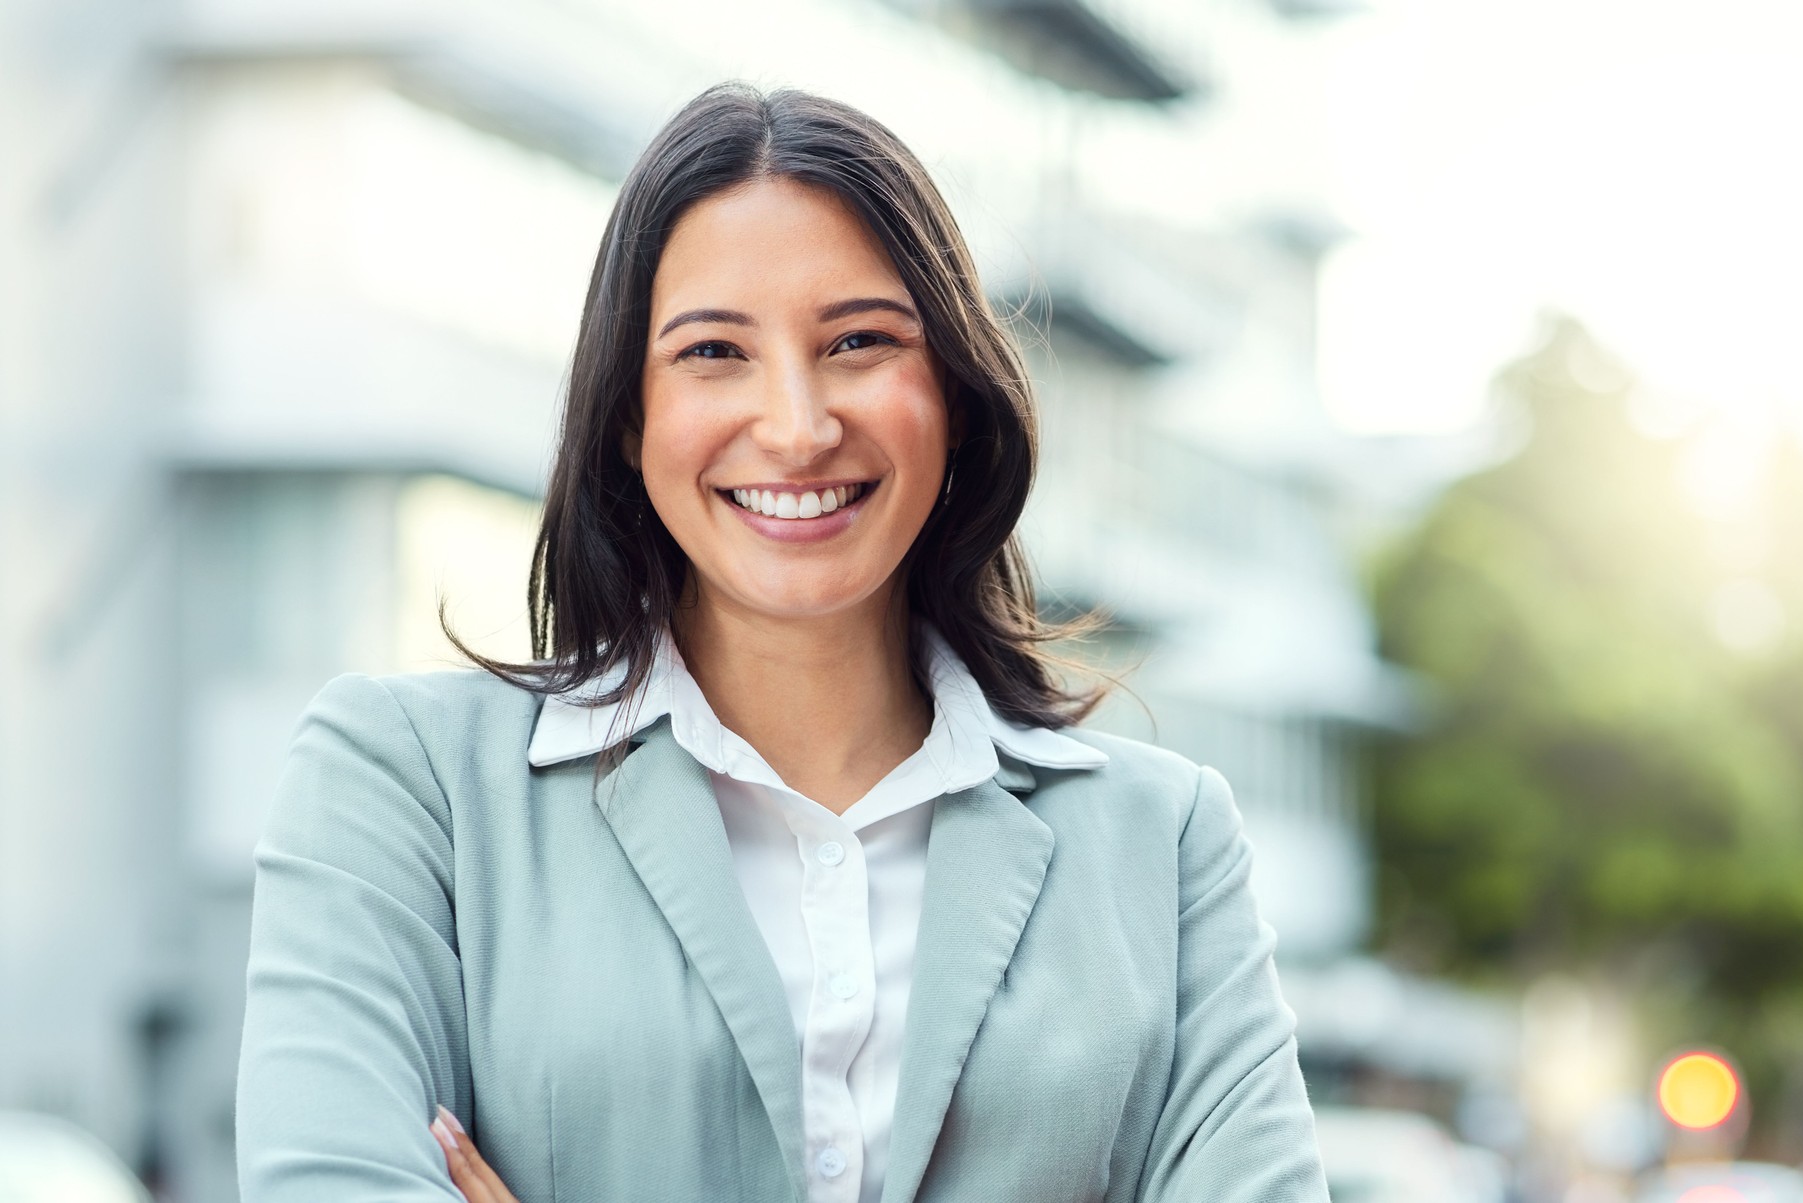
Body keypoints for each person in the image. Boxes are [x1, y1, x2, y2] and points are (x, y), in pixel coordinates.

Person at [233, 80, 1329, 1203]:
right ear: (631, 415)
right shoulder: (408, 786)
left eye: (858, 341)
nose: (798, 428)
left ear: (951, 394)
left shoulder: (1163, 844)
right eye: (715, 351)